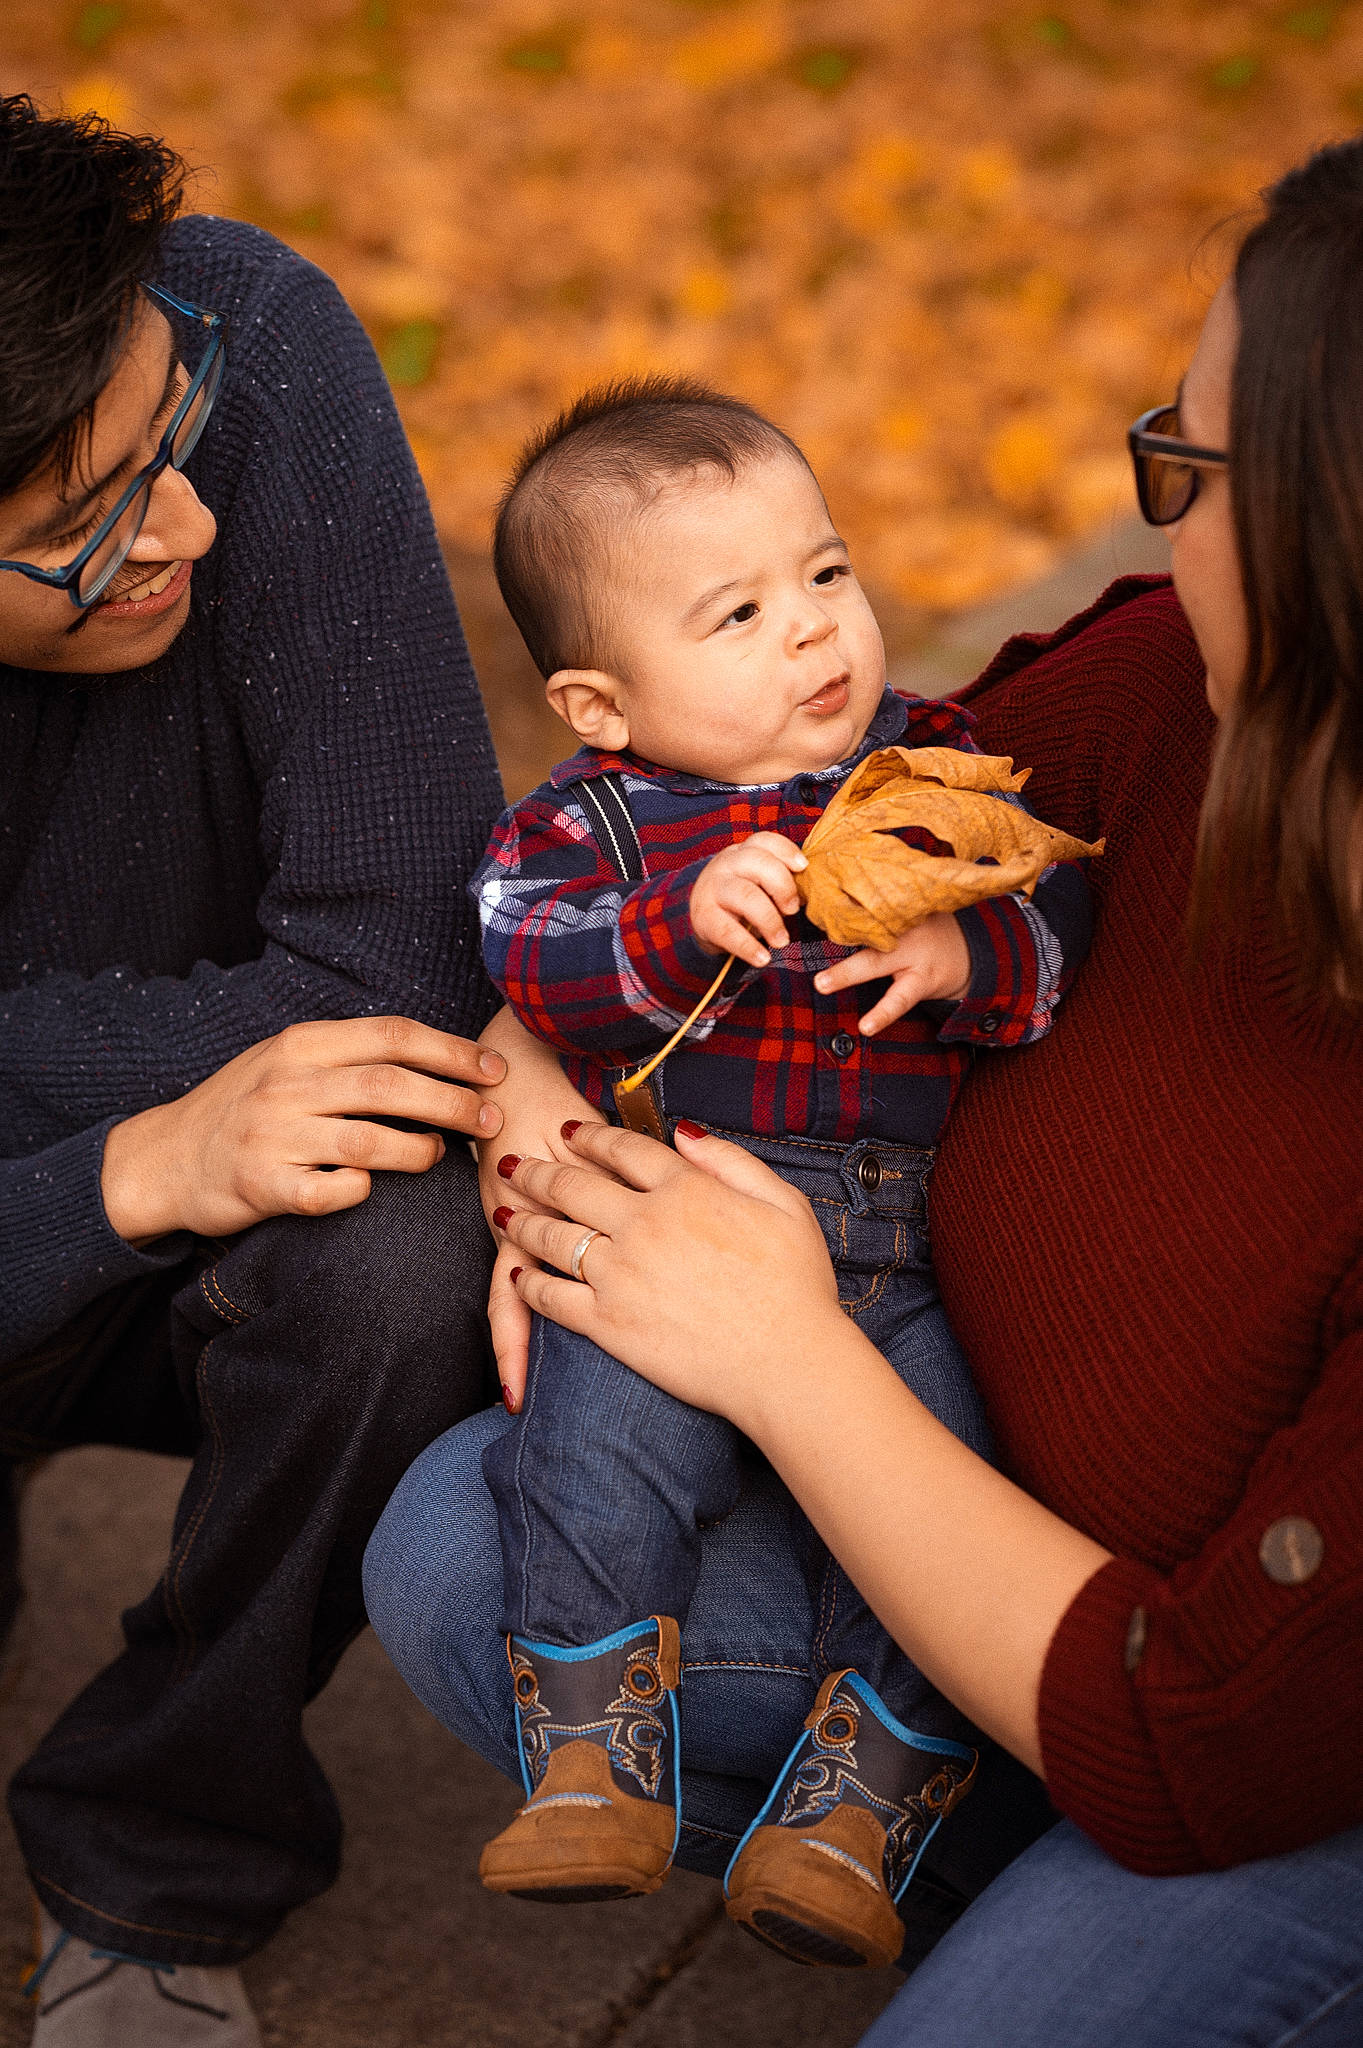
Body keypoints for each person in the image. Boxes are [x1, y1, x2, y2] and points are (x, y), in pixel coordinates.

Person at [366, 135, 1363, 2043]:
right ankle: (925, 1847)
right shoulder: (1160, 689)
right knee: (453, 1537)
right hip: (981, 1513)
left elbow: (1224, 1732)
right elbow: (787, 840)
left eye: (1198, 470)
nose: (1159, 528)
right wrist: (548, 1093)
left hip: (1268, 1750)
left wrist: (779, 1353)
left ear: (1337, 534)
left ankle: (968, 1866)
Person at [465, 377, 1095, 1970]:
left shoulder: (930, 759)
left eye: (825, 574)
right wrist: (670, 925)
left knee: (953, 1476)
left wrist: (968, 950)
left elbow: (1056, 926)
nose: (815, 634)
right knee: (589, 1444)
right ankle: (596, 1757)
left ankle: (859, 1810)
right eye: (737, 613)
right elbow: (524, 955)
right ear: (601, 703)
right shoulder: (598, 825)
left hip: (912, 1256)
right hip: (688, 1223)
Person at [0, 98, 507, 2046]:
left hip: (230, 1218)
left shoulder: (245, 344)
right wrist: (124, 1161)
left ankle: (155, 1846)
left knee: (401, 1252)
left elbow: (397, 969)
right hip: (104, 1190)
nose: (186, 523)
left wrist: (187, 1153)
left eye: (167, 439)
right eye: (87, 524)